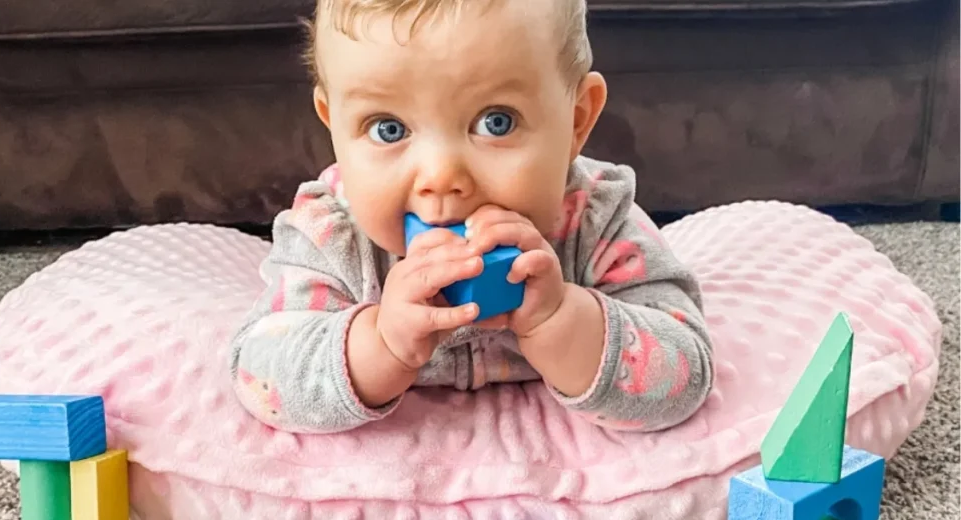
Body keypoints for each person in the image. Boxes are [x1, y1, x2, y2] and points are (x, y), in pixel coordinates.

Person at [228, 0, 715, 434]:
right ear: (333, 125)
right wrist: (379, 344)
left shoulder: (593, 219)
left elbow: (686, 371)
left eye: (495, 122)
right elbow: (260, 372)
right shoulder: (332, 234)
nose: (440, 177)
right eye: (388, 128)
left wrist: (565, 323)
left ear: (576, 120)